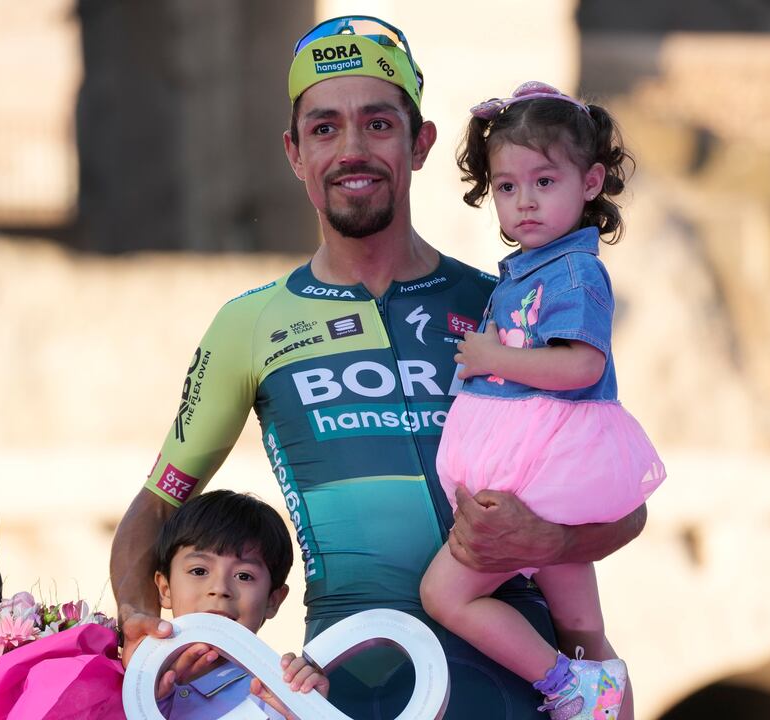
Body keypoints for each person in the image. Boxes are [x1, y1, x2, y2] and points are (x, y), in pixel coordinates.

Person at [111, 16, 647, 717]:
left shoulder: (504, 309)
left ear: (420, 143)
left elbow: (623, 508)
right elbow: (157, 504)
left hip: (519, 684)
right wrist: (133, 620)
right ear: (294, 151)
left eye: (379, 124)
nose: (353, 149)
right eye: (325, 128)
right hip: (342, 687)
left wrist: (549, 541)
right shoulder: (250, 324)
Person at [419, 81, 666, 718]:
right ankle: (603, 690)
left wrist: (492, 358)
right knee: (579, 618)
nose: (524, 202)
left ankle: (563, 684)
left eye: (544, 182)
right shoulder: (535, 267)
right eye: (507, 187)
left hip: (542, 460)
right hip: (543, 457)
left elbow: (583, 364)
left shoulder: (575, 272)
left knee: (446, 595)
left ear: (590, 183)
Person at [151, 490, 328, 719]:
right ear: (165, 589)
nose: (220, 588)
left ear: (273, 600)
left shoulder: (277, 696)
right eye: (199, 571)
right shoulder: (129, 674)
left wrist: (311, 711)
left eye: (244, 576)